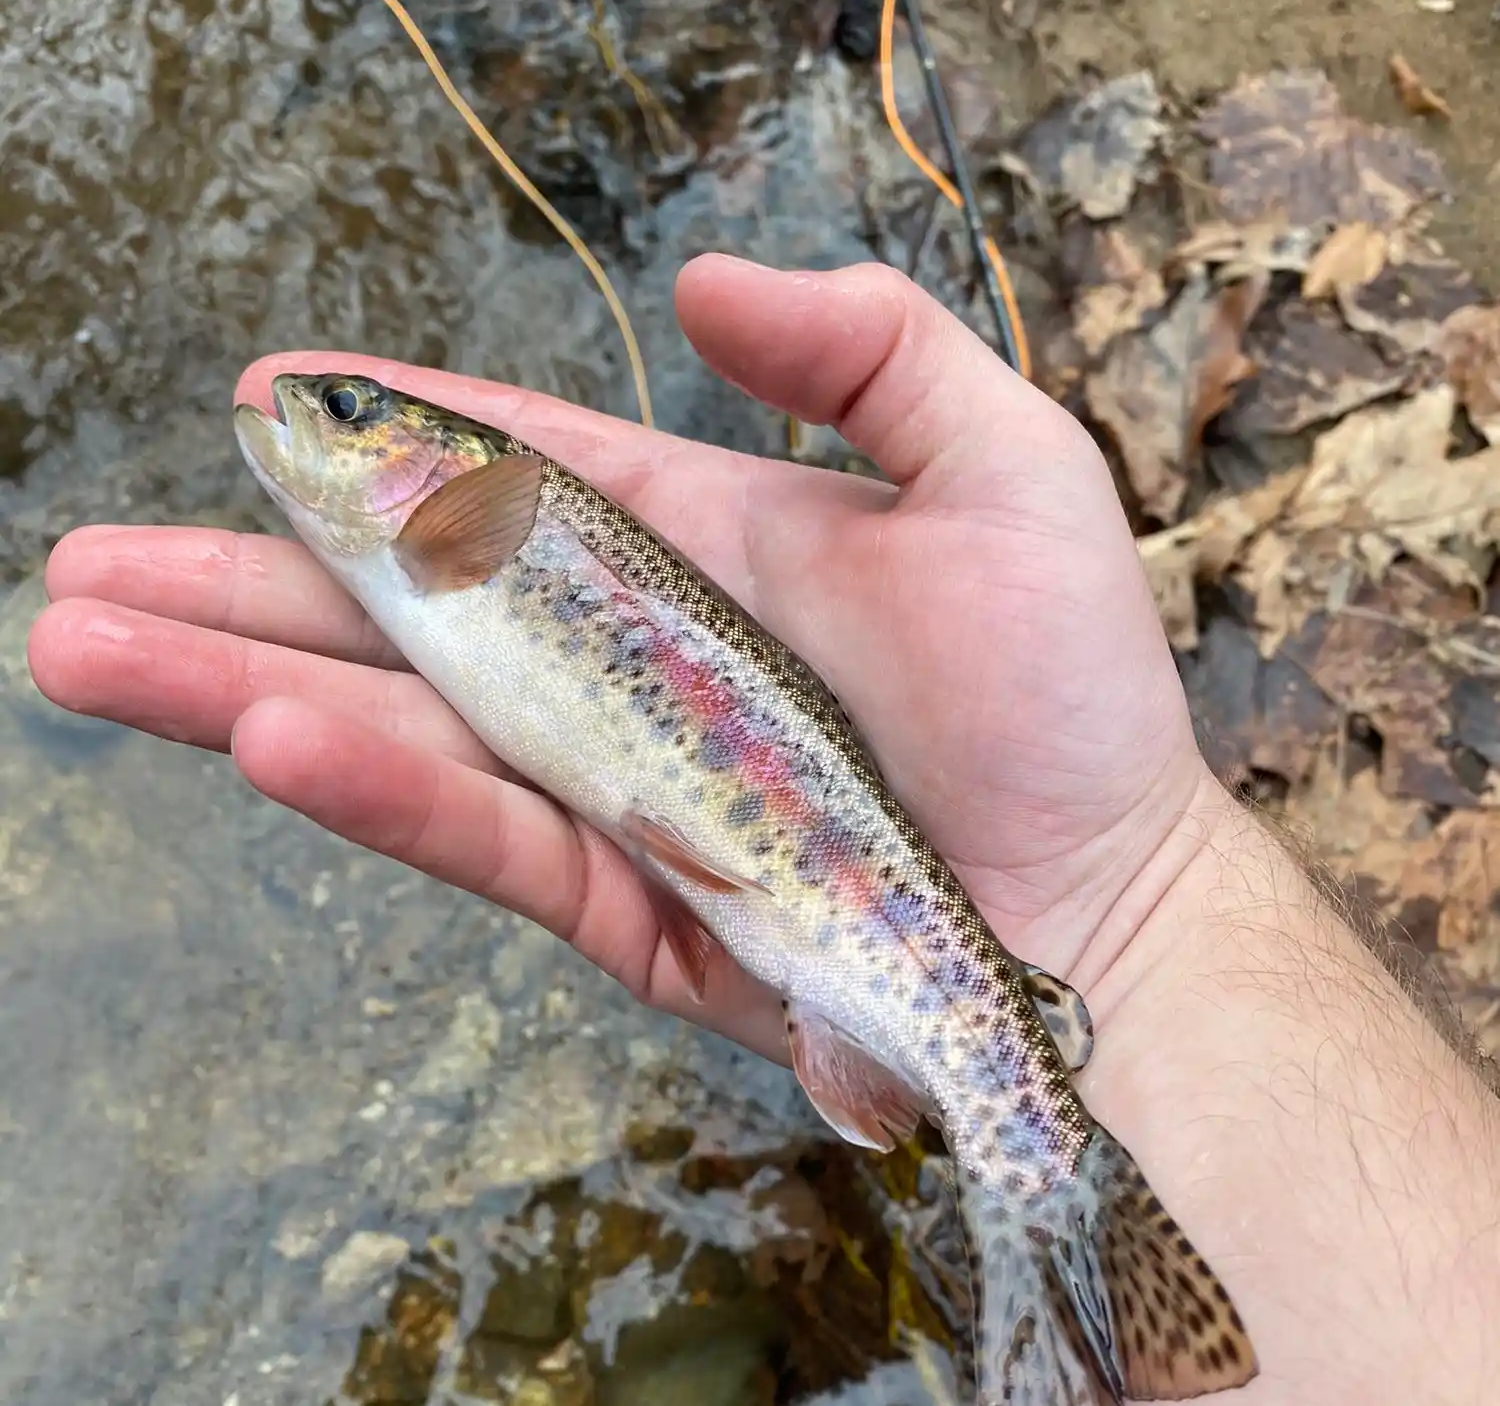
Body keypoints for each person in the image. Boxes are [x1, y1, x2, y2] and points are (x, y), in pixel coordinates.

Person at [26, 255, 1500, 1401]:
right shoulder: (442, 540)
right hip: (814, 901)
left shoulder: (463, 520)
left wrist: (1141, 895)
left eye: (350, 418)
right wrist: (1150, 909)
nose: (310, 420)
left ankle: (1058, 1206)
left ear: (436, 485)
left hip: (813, 895)